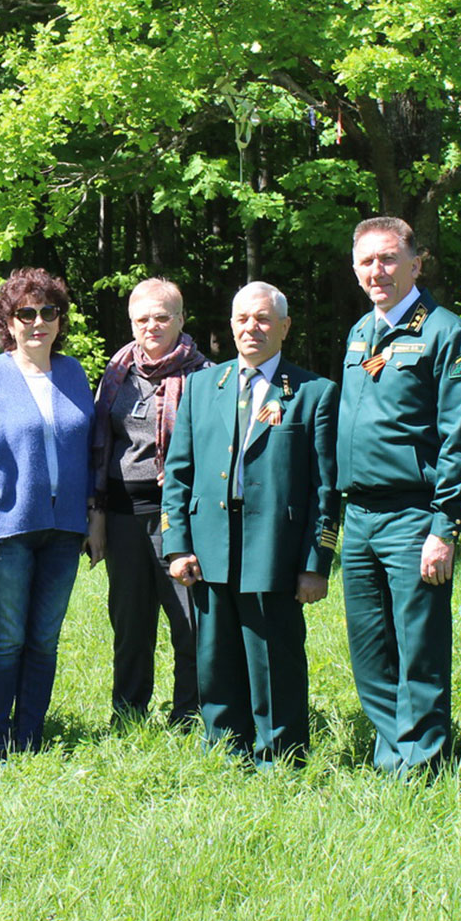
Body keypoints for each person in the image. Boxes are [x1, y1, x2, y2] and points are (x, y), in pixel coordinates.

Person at [334, 216, 461, 772]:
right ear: (355, 270)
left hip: (414, 516)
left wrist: (445, 527)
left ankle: (421, 763)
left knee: (418, 647)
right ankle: (391, 754)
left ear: (415, 265)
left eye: (389, 258)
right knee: (370, 647)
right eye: (366, 261)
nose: (377, 270)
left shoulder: (448, 334)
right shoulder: (360, 332)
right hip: (360, 516)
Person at [162, 283, 337, 765]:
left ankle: (280, 754)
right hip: (210, 543)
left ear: (284, 327)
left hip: (275, 546)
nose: (251, 328)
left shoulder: (313, 393)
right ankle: (224, 749)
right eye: (242, 319)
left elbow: (324, 487)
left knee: (273, 655)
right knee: (214, 655)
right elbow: (178, 473)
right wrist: (177, 545)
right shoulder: (202, 386)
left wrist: (315, 563)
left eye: (262, 319)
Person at [0, 267, 94, 757]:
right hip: (8, 526)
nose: (38, 322)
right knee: (6, 638)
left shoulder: (74, 373)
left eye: (48, 312)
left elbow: (92, 450)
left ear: (60, 320)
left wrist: (93, 518)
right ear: (9, 322)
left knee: (44, 639)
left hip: (65, 529)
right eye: (26, 313)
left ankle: (30, 736)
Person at [87, 277, 211, 727]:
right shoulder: (117, 372)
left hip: (179, 517)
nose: (151, 327)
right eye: (142, 319)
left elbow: (219, 447)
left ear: (181, 319)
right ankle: (128, 714)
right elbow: (99, 445)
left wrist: (185, 469)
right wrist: (97, 516)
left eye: (162, 317)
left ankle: (189, 716)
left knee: (189, 622)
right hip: (122, 517)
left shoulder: (205, 376)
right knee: (129, 624)